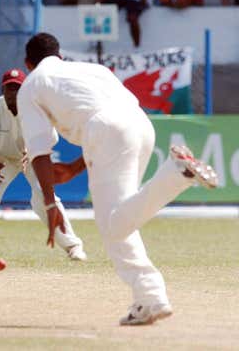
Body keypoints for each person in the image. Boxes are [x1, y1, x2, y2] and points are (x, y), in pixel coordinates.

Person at [17, 33, 218, 325]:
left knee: (113, 224)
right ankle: (150, 299)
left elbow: (39, 151)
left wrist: (50, 205)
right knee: (121, 220)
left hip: (106, 130)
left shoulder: (32, 84)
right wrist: (74, 168)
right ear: (60, 56)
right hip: (139, 124)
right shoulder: (90, 69)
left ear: (27, 63)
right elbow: (107, 119)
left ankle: (177, 174)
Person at [0, 68, 87, 262]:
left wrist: (33, 152)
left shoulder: (37, 110)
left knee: (46, 197)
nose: (13, 93)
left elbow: (50, 139)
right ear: (3, 90)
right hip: (3, 159)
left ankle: (73, 246)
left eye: (17, 88)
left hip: (34, 157)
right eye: (9, 88)